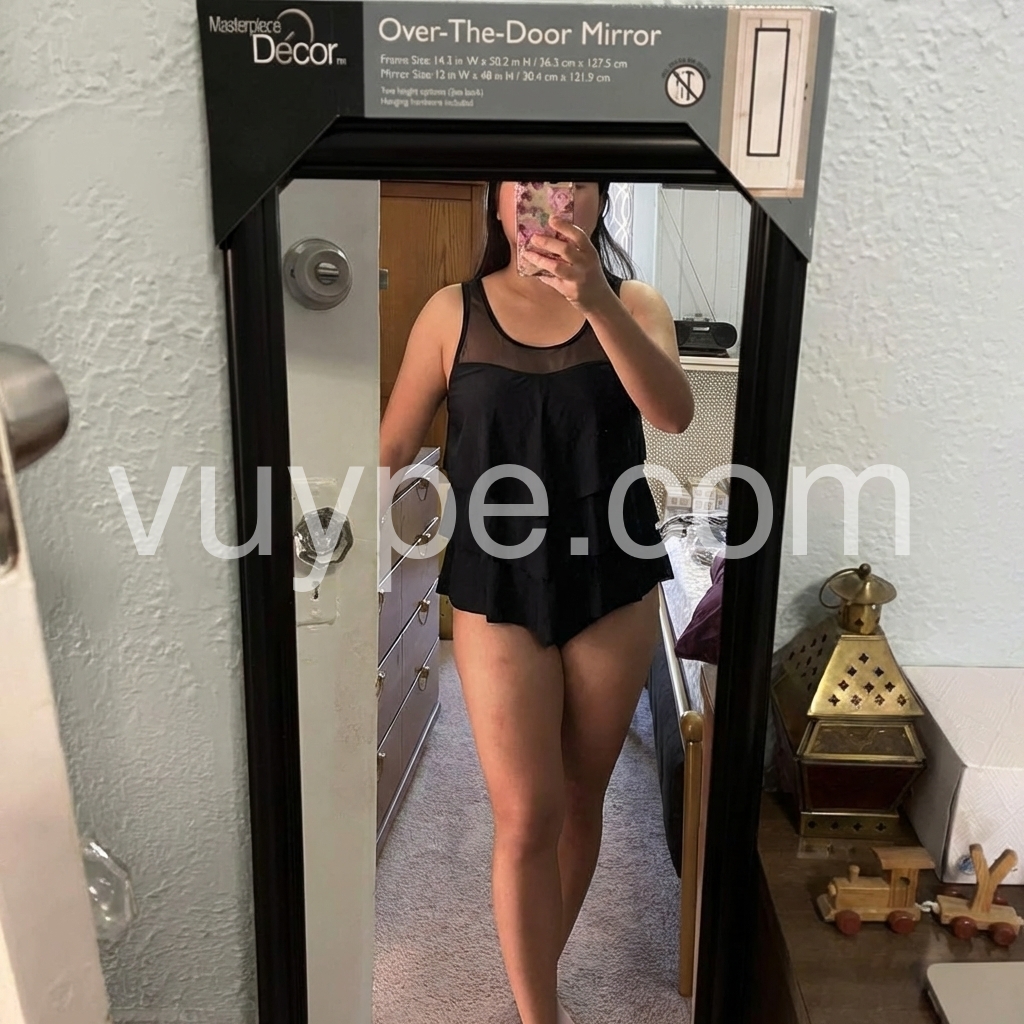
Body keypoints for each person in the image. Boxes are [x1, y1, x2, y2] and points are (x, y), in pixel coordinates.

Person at [379, 181, 694, 1024]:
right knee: (527, 814)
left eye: (570, 181)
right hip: (497, 580)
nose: (547, 197)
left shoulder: (636, 302)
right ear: (498, 201)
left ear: (598, 202)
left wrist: (595, 300)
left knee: (582, 799)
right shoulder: (452, 311)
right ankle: (540, 1014)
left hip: (614, 574)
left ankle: (535, 983)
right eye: (527, 179)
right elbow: (392, 445)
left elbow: (672, 414)